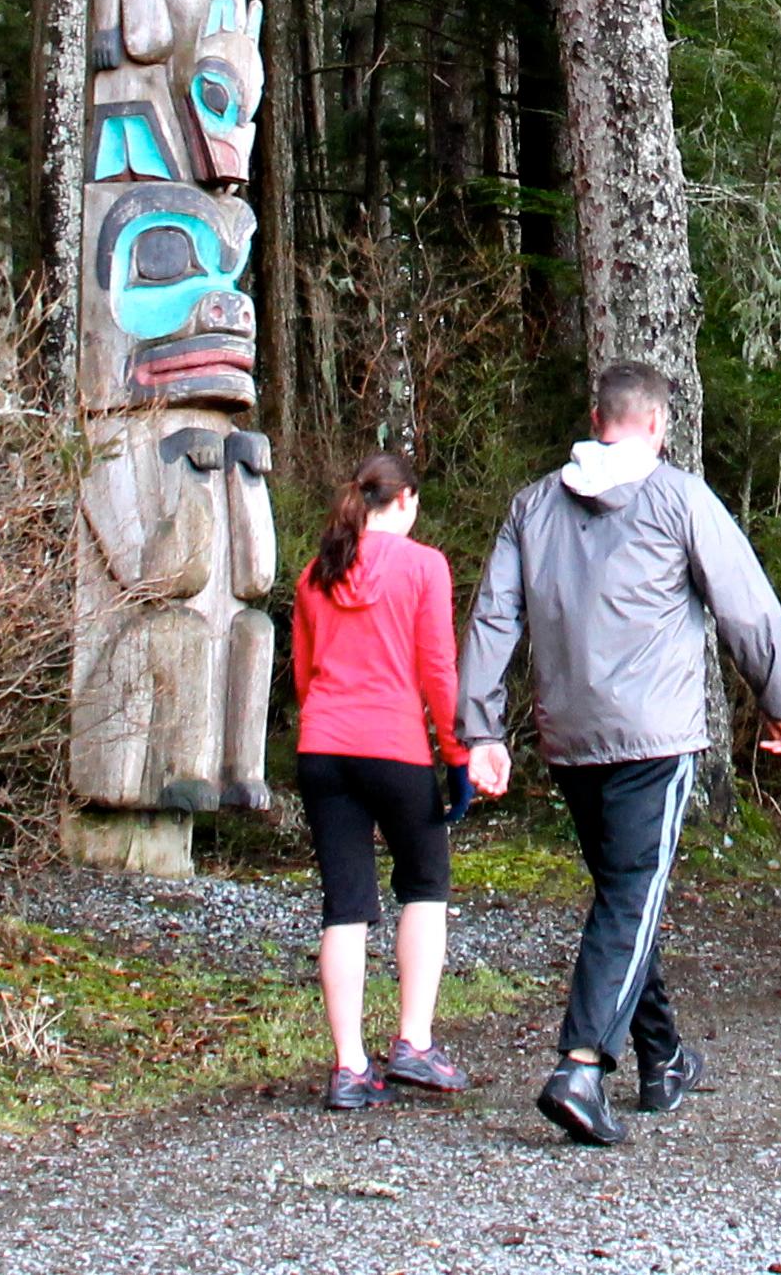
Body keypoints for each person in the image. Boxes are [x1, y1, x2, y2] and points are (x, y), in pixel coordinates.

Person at [456, 360, 781, 1147]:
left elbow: (491, 621)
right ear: (657, 425)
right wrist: (780, 700)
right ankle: (580, 1066)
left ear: (595, 415)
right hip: (654, 736)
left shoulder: (532, 506)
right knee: (630, 898)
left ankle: (665, 1055)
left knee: (624, 896)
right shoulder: (678, 497)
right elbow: (746, 605)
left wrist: (480, 728)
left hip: (571, 737)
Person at [293, 451, 475, 1110]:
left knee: (345, 905)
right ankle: (413, 1043)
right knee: (424, 886)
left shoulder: (318, 572)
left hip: (324, 747)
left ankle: (347, 1068)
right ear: (405, 502)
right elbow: (438, 672)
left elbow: (305, 671)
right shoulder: (425, 567)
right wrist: (458, 756)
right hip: (394, 748)